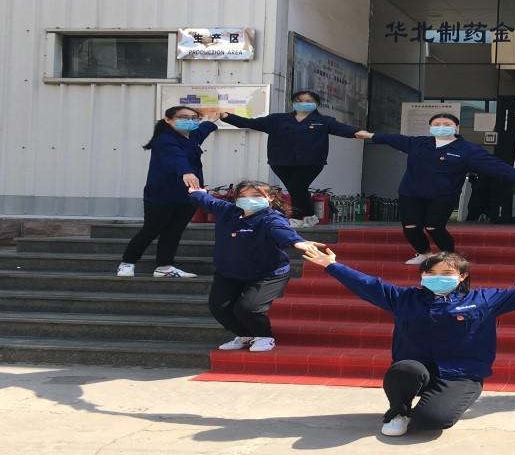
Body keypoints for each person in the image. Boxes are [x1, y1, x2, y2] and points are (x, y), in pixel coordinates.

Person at [299, 248, 515, 436]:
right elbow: (367, 284)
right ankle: (397, 412)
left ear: (461, 277)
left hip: (461, 373)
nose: (437, 278)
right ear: (422, 276)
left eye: (446, 273)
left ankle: (433, 405)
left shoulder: (485, 300)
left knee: (433, 422)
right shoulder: (403, 299)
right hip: (417, 366)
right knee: (403, 370)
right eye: (430, 273)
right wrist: (331, 265)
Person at [355, 114, 515, 264]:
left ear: (456, 128)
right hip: (411, 192)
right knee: (411, 227)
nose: (441, 126)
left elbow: (495, 165)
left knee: (433, 226)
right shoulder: (418, 143)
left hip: (443, 196)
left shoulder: (467, 150)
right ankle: (424, 254)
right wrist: (368, 135)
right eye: (437, 124)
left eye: (446, 124)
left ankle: (451, 256)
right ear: (431, 127)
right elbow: (390, 138)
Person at [188, 180, 325, 353]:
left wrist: (297, 242)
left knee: (249, 308)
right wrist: (197, 193)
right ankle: (245, 335)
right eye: (243, 196)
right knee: (220, 309)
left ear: (269, 198)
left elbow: (281, 231)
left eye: (255, 196)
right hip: (230, 271)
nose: (249, 200)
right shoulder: (228, 211)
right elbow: (208, 201)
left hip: (268, 273)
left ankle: (264, 337)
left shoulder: (271, 218)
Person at [220, 91, 364, 229]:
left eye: (308, 101)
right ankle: (310, 216)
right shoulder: (277, 119)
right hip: (280, 162)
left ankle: (297, 218)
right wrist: (227, 117)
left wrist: (367, 135)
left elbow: (344, 129)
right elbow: (250, 123)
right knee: (297, 189)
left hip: (310, 162)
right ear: (293, 103)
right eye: (299, 101)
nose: (303, 103)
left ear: (316, 104)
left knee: (296, 187)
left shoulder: (323, 121)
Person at [117, 106, 218, 278]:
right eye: (184, 117)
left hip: (187, 195)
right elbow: (176, 157)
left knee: (174, 231)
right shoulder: (164, 140)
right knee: (151, 229)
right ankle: (127, 263)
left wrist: (215, 119)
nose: (190, 121)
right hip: (162, 194)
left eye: (194, 118)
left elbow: (203, 130)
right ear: (168, 120)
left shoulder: (192, 136)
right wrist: (186, 171)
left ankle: (164, 267)